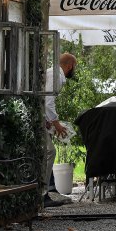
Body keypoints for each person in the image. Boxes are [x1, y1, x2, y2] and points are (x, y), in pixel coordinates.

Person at [44, 52, 77, 208]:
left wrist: (48, 121)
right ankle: (42, 193)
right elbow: (48, 101)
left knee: (48, 151)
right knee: (49, 152)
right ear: (70, 66)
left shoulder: (52, 73)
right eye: (74, 67)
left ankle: (45, 190)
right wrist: (56, 123)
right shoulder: (56, 76)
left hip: (43, 119)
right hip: (43, 117)